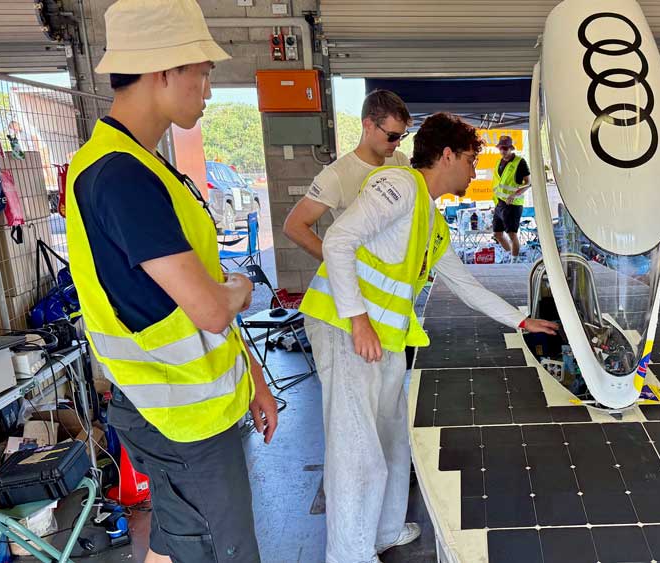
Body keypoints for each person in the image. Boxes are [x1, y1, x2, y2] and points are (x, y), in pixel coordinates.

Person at [65, 2, 277, 561]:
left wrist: (249, 371)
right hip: (179, 418)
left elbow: (185, 303)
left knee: (176, 539)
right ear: (164, 70)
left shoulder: (139, 164)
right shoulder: (121, 176)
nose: (208, 89)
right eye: (202, 72)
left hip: (180, 406)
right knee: (220, 548)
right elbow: (209, 307)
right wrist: (240, 288)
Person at [298, 112, 558, 563]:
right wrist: (358, 320)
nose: (475, 171)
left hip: (383, 338)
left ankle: (383, 531)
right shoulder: (397, 186)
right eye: (471, 160)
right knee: (357, 448)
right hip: (346, 328)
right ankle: (349, 555)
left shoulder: (430, 219)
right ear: (447, 155)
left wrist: (521, 321)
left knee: (394, 439)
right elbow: (338, 240)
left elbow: (465, 286)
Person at [282, 89, 411, 259]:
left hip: (398, 272)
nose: (398, 144)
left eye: (402, 137)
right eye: (392, 136)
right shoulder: (336, 175)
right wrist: (338, 263)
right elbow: (293, 226)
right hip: (362, 280)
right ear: (368, 125)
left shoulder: (400, 162)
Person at [490, 134, 531, 261]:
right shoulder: (499, 162)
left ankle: (514, 261)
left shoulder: (520, 162)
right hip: (500, 203)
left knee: (512, 235)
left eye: (505, 148)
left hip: (513, 204)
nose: (503, 151)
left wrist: (514, 194)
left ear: (511, 148)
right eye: (501, 148)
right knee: (497, 234)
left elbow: (529, 183)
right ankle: (509, 256)